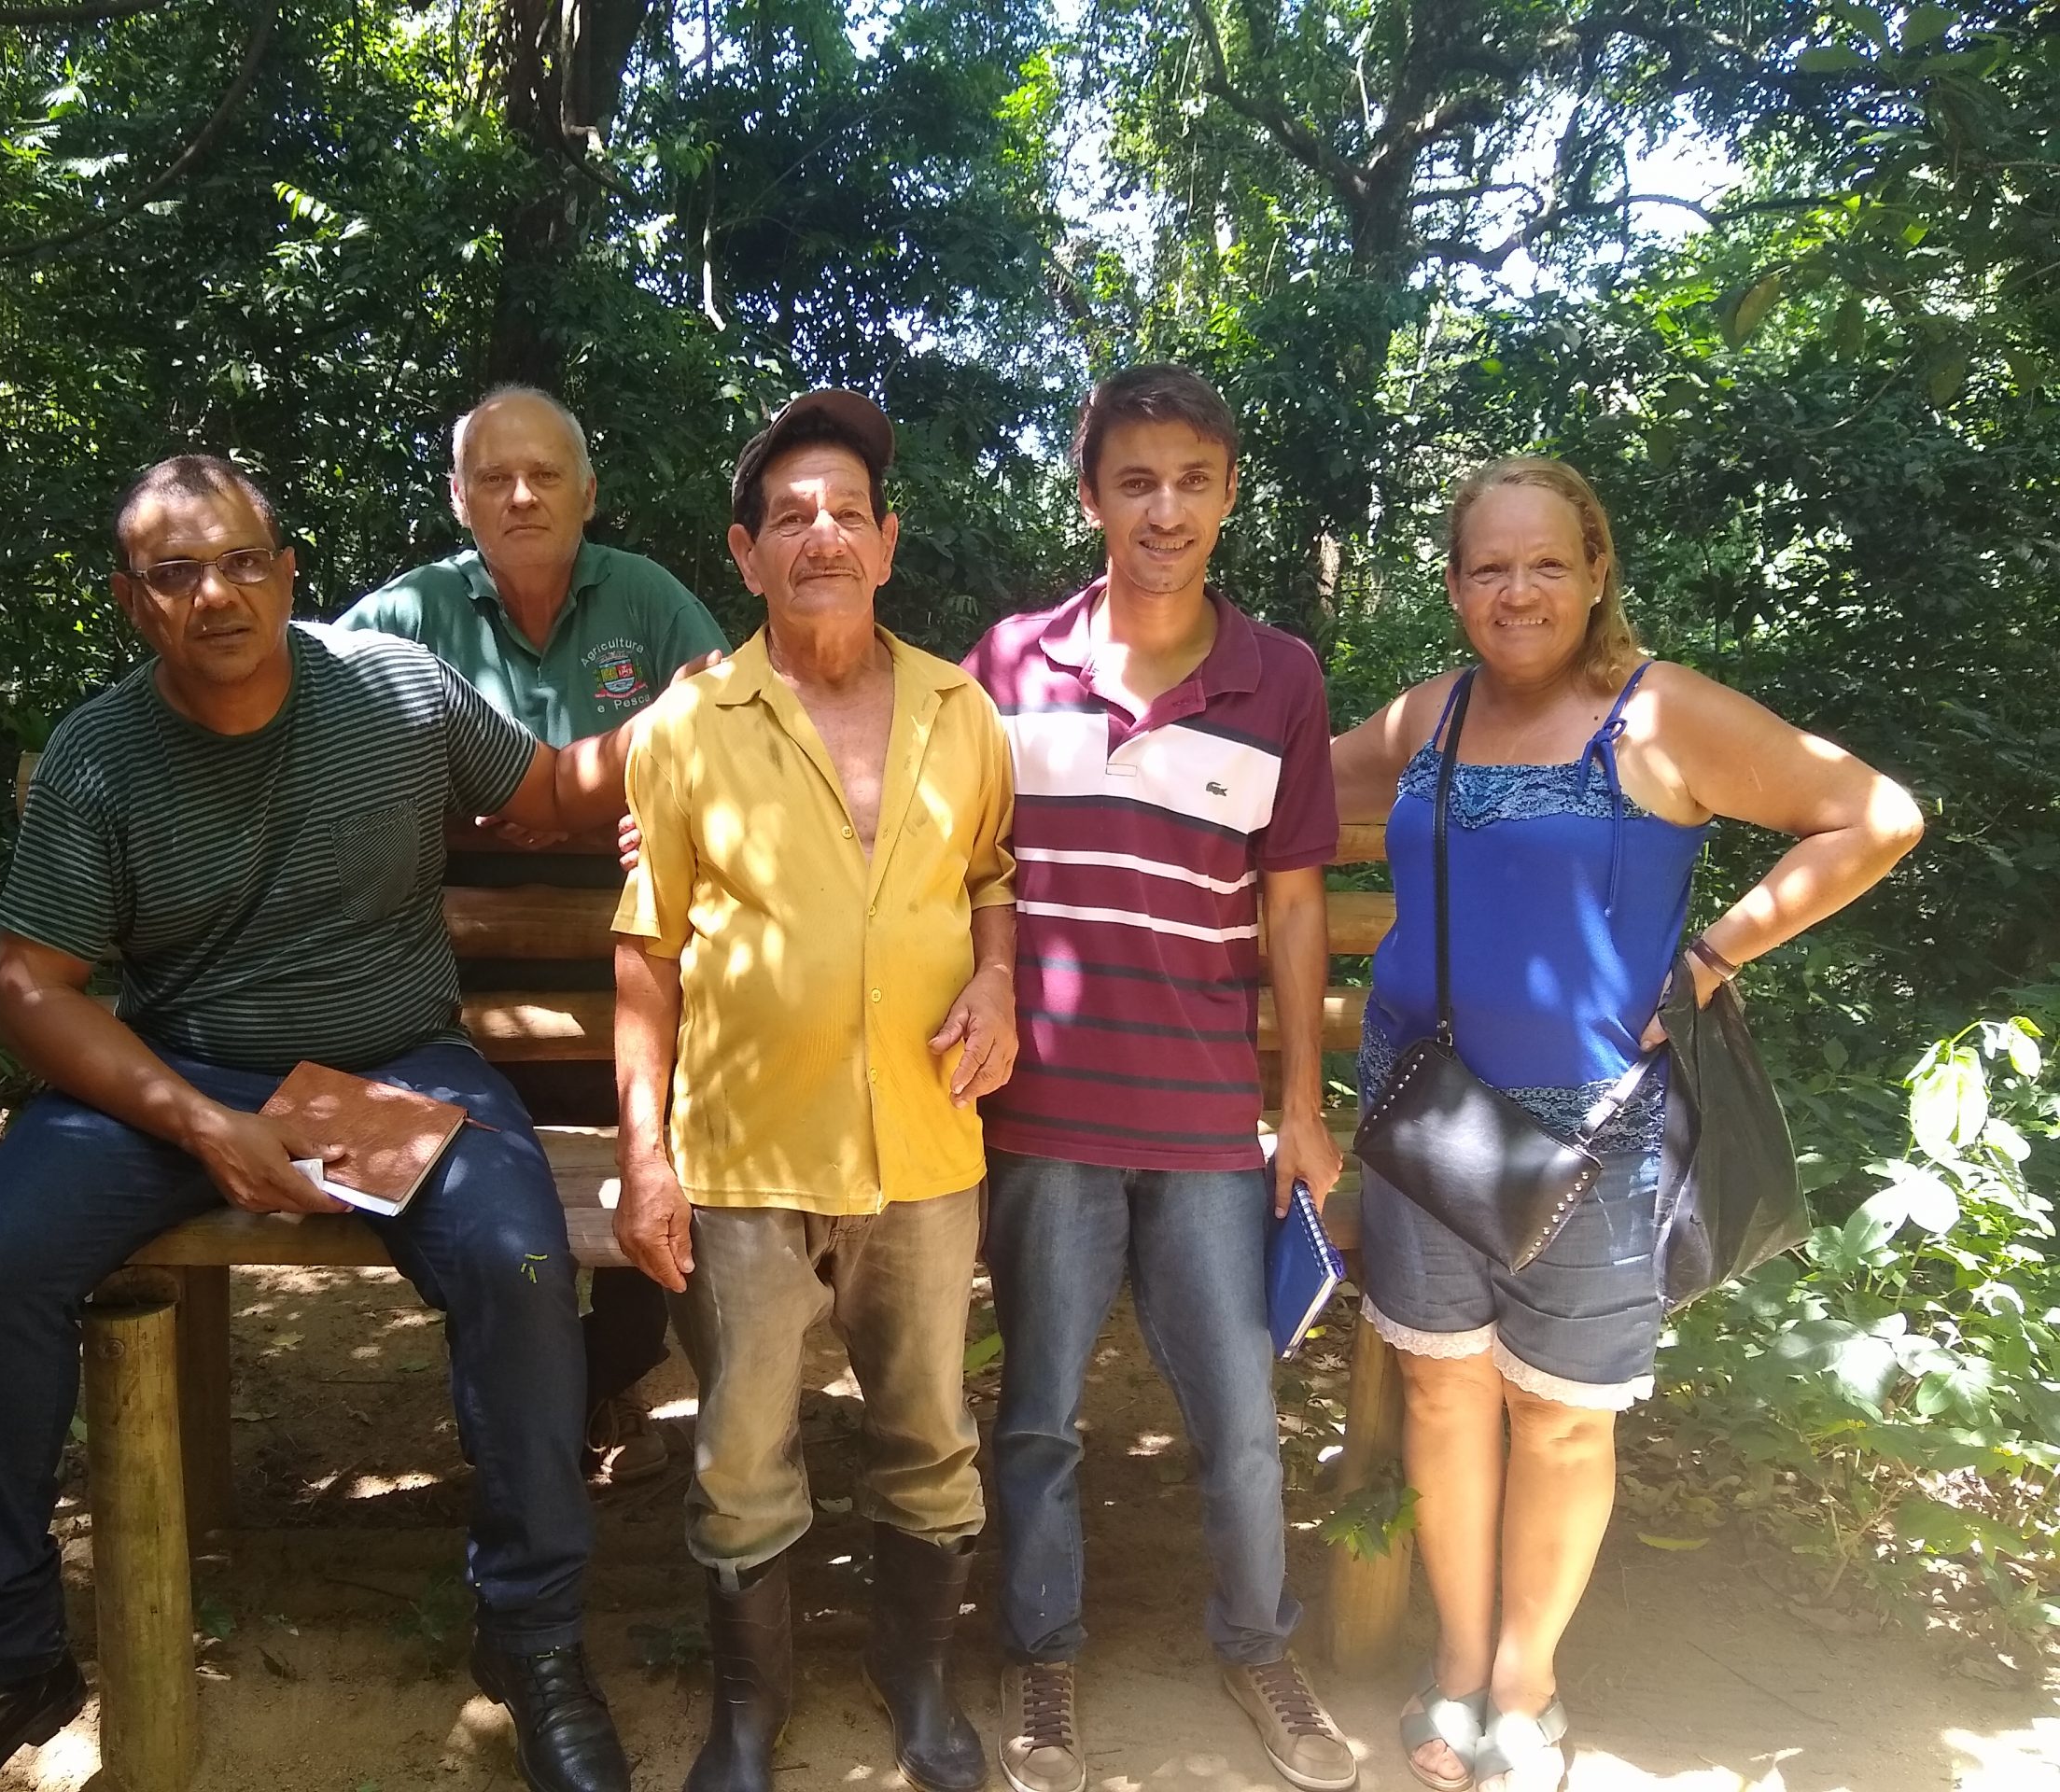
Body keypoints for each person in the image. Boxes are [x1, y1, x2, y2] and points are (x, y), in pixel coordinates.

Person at [0, 455, 647, 1792]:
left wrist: (695, 714)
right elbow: (32, 986)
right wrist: (199, 1122)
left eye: (240, 562)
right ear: (133, 601)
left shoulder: (395, 691)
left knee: (518, 1258)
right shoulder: (103, 755)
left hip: (396, 1065)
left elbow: (552, 791)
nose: (215, 594)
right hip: (183, 1069)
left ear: (287, 574)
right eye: (175, 573)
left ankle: (531, 1636)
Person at [1331, 456, 1924, 1792]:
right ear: (1454, 585)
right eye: (1490, 566)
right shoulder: (1428, 714)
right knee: (1443, 1391)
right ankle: (1458, 1668)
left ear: (1596, 571)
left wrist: (1712, 956)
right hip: (1429, 1116)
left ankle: (1525, 1688)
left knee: (1558, 1418)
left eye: (1548, 563)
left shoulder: (1659, 714)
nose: (1518, 591)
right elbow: (1286, 785)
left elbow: (1873, 816)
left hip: (1593, 1133)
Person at [610, 390, 1018, 1792]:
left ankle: (917, 1682)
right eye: (791, 517)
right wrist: (646, 1159)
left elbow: (992, 877)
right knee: (741, 1450)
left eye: (848, 511)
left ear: (888, 543)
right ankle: (747, 1712)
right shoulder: (686, 727)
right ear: (746, 553)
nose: (823, 535)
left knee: (930, 1432)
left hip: (924, 1141)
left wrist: (999, 980)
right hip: (742, 1152)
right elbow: (646, 952)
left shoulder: (962, 712)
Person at [961, 365, 1356, 1792]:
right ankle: (1042, 1658)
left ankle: (1259, 1647)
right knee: (1037, 1419)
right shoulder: (1007, 666)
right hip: (1045, 1123)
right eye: (1136, 482)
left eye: (1192, 481)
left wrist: (1299, 1109)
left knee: (1241, 1422)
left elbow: (1294, 905)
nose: (1165, 510)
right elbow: (956, 869)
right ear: (1091, 498)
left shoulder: (1280, 679)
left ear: (1228, 493)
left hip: (1203, 1128)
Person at [338, 385, 729, 1483]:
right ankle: (534, 1383)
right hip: (453, 1018)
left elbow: (725, 743)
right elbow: (321, 755)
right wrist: (490, 807)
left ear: (587, 493)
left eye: (545, 475)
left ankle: (597, 1371)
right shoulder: (403, 619)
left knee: (670, 1160)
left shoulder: (648, 600)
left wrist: (576, 810)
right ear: (458, 497)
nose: (521, 496)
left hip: (636, 1008)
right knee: (459, 1199)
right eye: (495, 478)